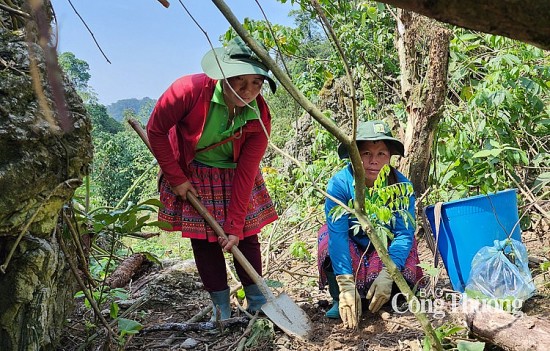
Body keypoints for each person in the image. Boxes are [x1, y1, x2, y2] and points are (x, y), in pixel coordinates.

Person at [146, 37, 278, 321]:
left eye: (256, 82)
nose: (247, 90)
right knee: (204, 241)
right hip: (193, 170)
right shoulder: (188, 91)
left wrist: (233, 226)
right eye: (239, 80)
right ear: (223, 73)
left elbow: (246, 171)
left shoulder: (259, 115)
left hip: (235, 172)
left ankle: (259, 303)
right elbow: (155, 130)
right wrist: (177, 177)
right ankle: (221, 310)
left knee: (246, 235)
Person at [317, 120, 424, 329]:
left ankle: (387, 294)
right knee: (326, 236)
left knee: (409, 244)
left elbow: (403, 233)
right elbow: (338, 235)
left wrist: (388, 273)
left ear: (390, 156)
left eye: (381, 154)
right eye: (366, 153)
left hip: (384, 250)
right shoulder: (339, 184)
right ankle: (342, 297)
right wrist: (346, 284)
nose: (373, 161)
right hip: (353, 247)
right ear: (353, 155)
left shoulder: (401, 187)